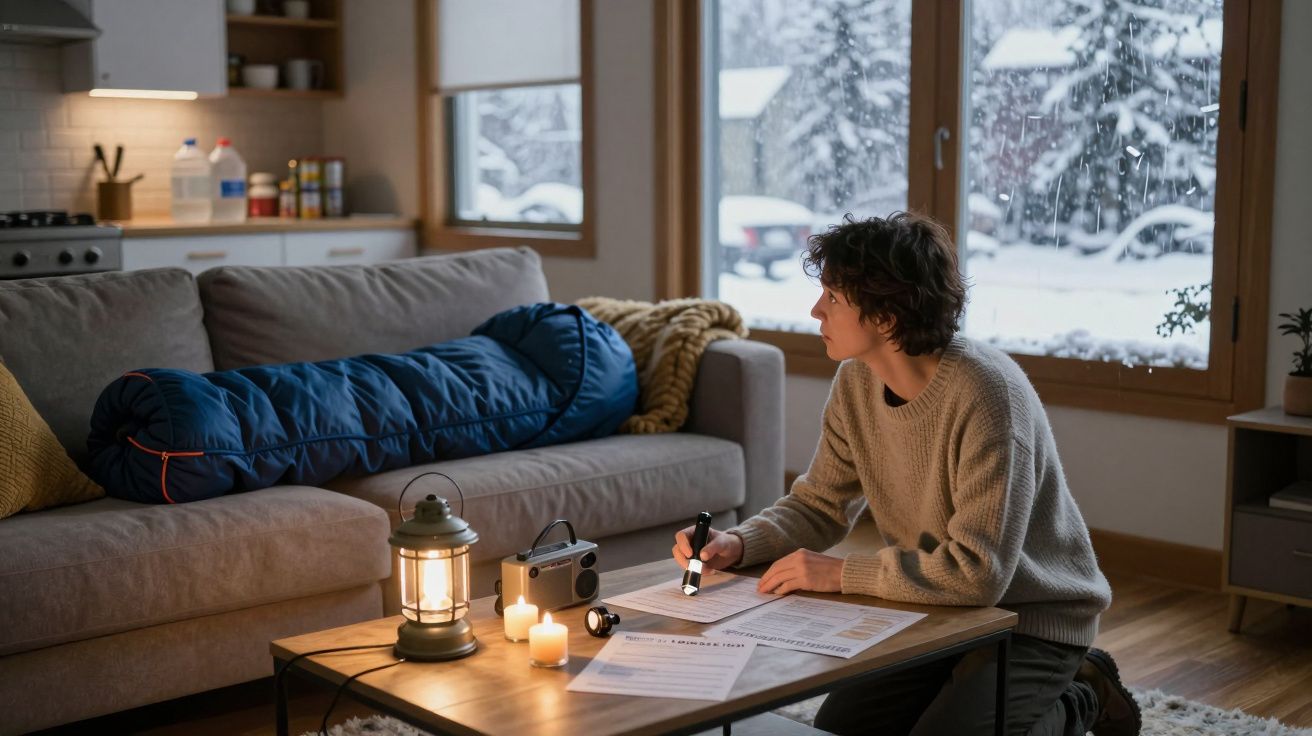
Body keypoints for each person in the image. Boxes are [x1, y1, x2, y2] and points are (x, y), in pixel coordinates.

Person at [673, 212, 1140, 736]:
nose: (815, 310)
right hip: (928, 606)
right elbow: (820, 504)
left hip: (1031, 617)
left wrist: (840, 574)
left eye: (833, 297)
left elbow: (979, 575)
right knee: (840, 729)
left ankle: (1082, 697)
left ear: (886, 318)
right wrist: (737, 543)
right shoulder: (856, 381)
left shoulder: (988, 396)